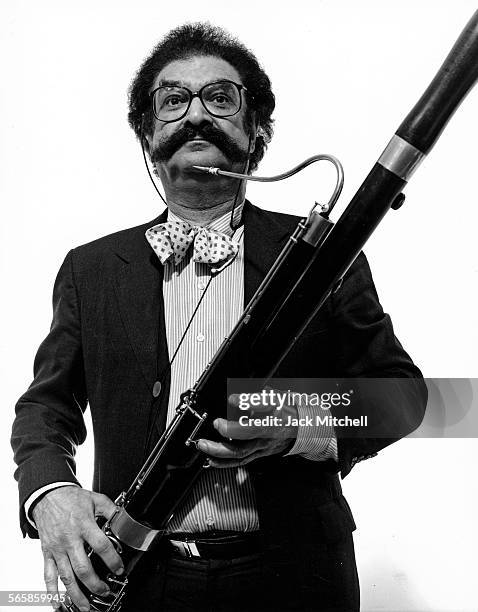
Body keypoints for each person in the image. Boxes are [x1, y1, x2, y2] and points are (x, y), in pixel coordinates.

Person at [11, 23, 427, 612]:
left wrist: (293, 423)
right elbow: (44, 407)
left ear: (255, 131)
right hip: (136, 578)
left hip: (298, 577)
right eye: (173, 100)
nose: (195, 115)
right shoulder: (91, 269)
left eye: (221, 98)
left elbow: (408, 398)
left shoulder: (326, 253)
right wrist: (50, 493)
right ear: (148, 133)